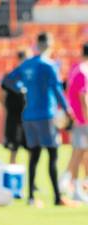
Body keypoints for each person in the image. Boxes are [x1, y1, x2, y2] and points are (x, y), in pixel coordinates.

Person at [3, 32, 75, 207]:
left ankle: (31, 197)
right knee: (52, 155)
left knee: (34, 155)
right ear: (49, 44)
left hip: (28, 116)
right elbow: (57, 90)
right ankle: (57, 197)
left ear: (37, 44)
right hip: (45, 115)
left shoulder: (27, 64)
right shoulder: (49, 65)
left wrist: (21, 89)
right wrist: (67, 110)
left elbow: (6, 81)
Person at [59, 42, 88, 202]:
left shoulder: (76, 69)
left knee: (82, 153)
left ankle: (75, 184)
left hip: (78, 118)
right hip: (82, 120)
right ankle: (75, 187)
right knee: (79, 153)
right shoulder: (83, 71)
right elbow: (83, 98)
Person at [0, 50, 32, 165]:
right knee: (13, 148)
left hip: (27, 118)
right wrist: (7, 108)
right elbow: (1, 94)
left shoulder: (29, 77)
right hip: (14, 118)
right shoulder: (10, 77)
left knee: (31, 148)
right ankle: (12, 173)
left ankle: (30, 175)